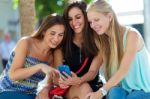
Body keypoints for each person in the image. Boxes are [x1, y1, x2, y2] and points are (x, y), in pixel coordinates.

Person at [37, 1, 103, 99]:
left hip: (93, 85)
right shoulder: (62, 44)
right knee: (83, 88)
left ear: (85, 17)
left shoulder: (97, 40)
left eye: (78, 17)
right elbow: (56, 74)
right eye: (70, 19)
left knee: (85, 87)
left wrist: (79, 79)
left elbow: (93, 72)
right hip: (70, 89)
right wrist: (60, 80)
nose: (74, 22)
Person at [86, 0, 150, 99]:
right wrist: (77, 79)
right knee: (114, 92)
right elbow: (93, 70)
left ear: (109, 17)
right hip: (121, 91)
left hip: (143, 91)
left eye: (96, 20)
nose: (93, 25)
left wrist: (100, 92)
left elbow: (123, 70)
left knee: (133, 96)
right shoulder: (103, 43)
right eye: (90, 22)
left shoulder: (132, 35)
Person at [0, 15, 66, 99]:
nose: (56, 39)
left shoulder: (55, 52)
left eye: (60, 35)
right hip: (8, 90)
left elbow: (54, 80)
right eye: (52, 33)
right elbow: (13, 75)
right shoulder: (26, 43)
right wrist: (40, 66)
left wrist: (62, 81)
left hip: (31, 94)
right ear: (43, 31)